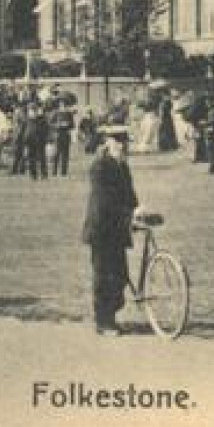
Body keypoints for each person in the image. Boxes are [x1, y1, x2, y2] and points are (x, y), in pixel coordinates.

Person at [82, 125, 138, 336]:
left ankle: (110, 317)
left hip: (118, 228)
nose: (122, 146)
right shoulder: (100, 167)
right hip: (102, 229)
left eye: (125, 142)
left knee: (121, 276)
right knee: (105, 276)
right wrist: (127, 213)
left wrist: (137, 211)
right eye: (117, 141)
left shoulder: (123, 166)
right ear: (107, 143)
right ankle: (103, 322)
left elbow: (130, 196)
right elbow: (105, 201)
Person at [50, 97, 76, 177]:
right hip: (58, 135)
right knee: (56, 154)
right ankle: (54, 171)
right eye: (61, 105)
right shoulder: (55, 113)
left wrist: (67, 124)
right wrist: (58, 125)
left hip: (66, 135)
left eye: (64, 105)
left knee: (65, 154)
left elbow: (73, 125)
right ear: (59, 105)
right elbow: (51, 124)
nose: (63, 106)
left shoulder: (69, 114)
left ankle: (63, 172)